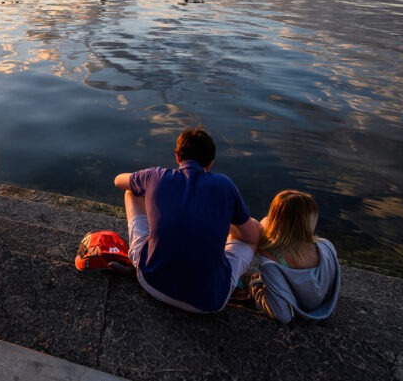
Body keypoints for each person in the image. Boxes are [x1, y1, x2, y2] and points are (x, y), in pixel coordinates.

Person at [113, 126, 260, 313]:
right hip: (209, 302)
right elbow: (251, 237)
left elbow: (118, 180)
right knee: (253, 227)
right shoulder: (225, 186)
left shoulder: (156, 176)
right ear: (211, 162)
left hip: (151, 282)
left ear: (177, 156)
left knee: (132, 192)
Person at [248, 190, 341, 324]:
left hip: (297, 312)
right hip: (326, 310)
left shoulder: (271, 261)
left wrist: (256, 287)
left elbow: (282, 315)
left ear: (275, 221)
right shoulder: (327, 247)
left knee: (258, 280)